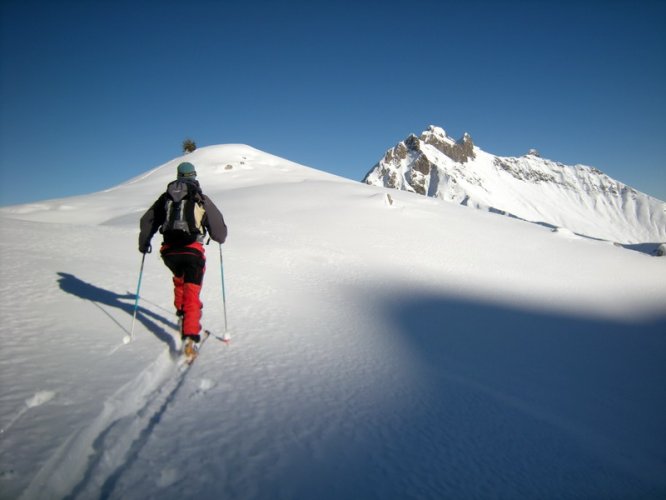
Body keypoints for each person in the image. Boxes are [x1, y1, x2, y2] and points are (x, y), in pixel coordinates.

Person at [138, 161, 227, 357]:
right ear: (194, 176)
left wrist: (144, 243)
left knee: (180, 281)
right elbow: (218, 229)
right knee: (192, 292)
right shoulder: (200, 198)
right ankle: (190, 336)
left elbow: (147, 220)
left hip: (169, 252)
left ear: (178, 175)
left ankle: (181, 316)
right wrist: (219, 237)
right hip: (192, 251)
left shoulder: (165, 197)